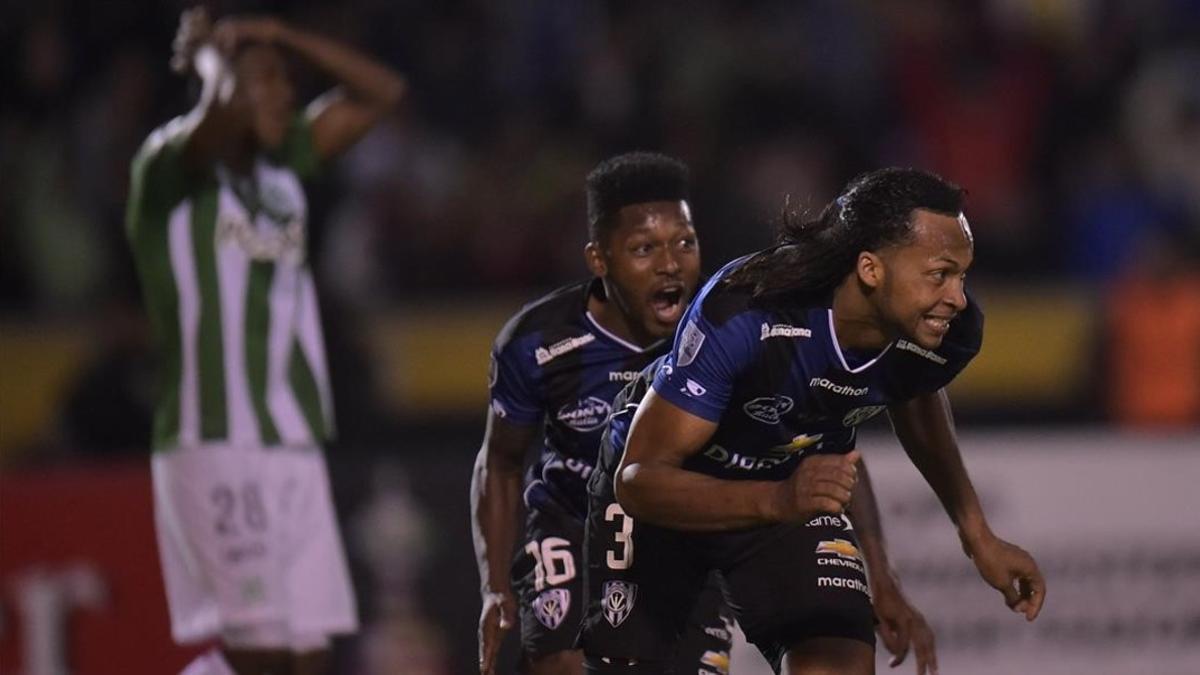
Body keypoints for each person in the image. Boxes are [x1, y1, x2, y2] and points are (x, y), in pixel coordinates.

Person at [471, 154, 935, 675]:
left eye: (685, 243)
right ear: (599, 259)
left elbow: (824, 448)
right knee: (563, 665)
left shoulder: (735, 326)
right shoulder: (537, 342)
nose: (670, 264)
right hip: (572, 522)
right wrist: (494, 587)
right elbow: (502, 464)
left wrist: (880, 573)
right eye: (645, 249)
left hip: (687, 523)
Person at [577, 168, 1046, 675]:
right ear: (870, 269)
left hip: (785, 491)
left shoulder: (942, 332)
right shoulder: (748, 312)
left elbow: (915, 391)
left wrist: (973, 534)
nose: (957, 297)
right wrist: (780, 498)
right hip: (673, 497)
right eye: (940, 273)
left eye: (963, 276)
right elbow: (640, 481)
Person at [125, 8, 405, 675]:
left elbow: (382, 93)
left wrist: (281, 38)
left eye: (287, 81)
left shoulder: (283, 170)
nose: (286, 93)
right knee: (262, 658)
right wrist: (206, 58)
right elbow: (215, 112)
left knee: (309, 658)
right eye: (268, 82)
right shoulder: (167, 168)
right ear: (223, 89)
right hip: (215, 437)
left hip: (294, 439)